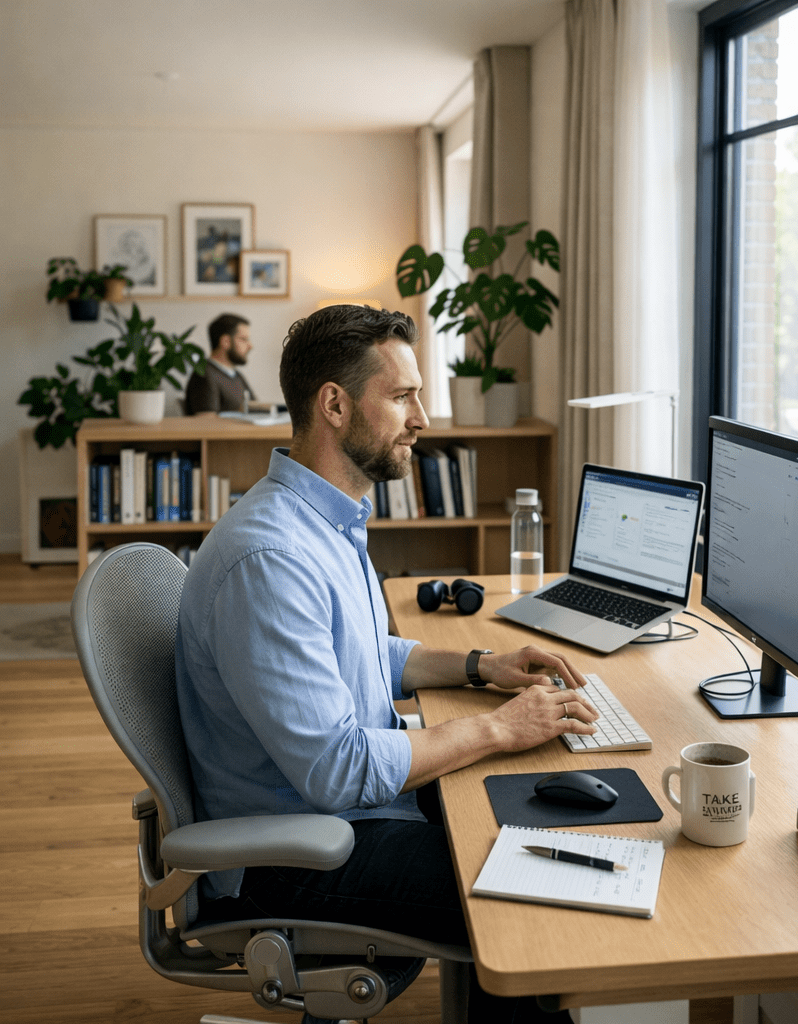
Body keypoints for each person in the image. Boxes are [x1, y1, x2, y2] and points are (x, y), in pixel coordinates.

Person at [175, 303, 597, 1023]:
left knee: (534, 814)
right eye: (402, 396)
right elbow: (337, 769)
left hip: (346, 815)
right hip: (299, 855)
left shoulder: (326, 518)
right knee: (533, 897)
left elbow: (365, 654)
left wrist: (481, 668)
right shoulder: (272, 557)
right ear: (334, 405)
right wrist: (500, 728)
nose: (423, 417)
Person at [185, 313, 255, 414]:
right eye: (243, 339)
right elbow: (206, 422)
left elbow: (256, 409)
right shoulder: (204, 375)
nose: (250, 346)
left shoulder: (237, 376)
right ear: (225, 341)